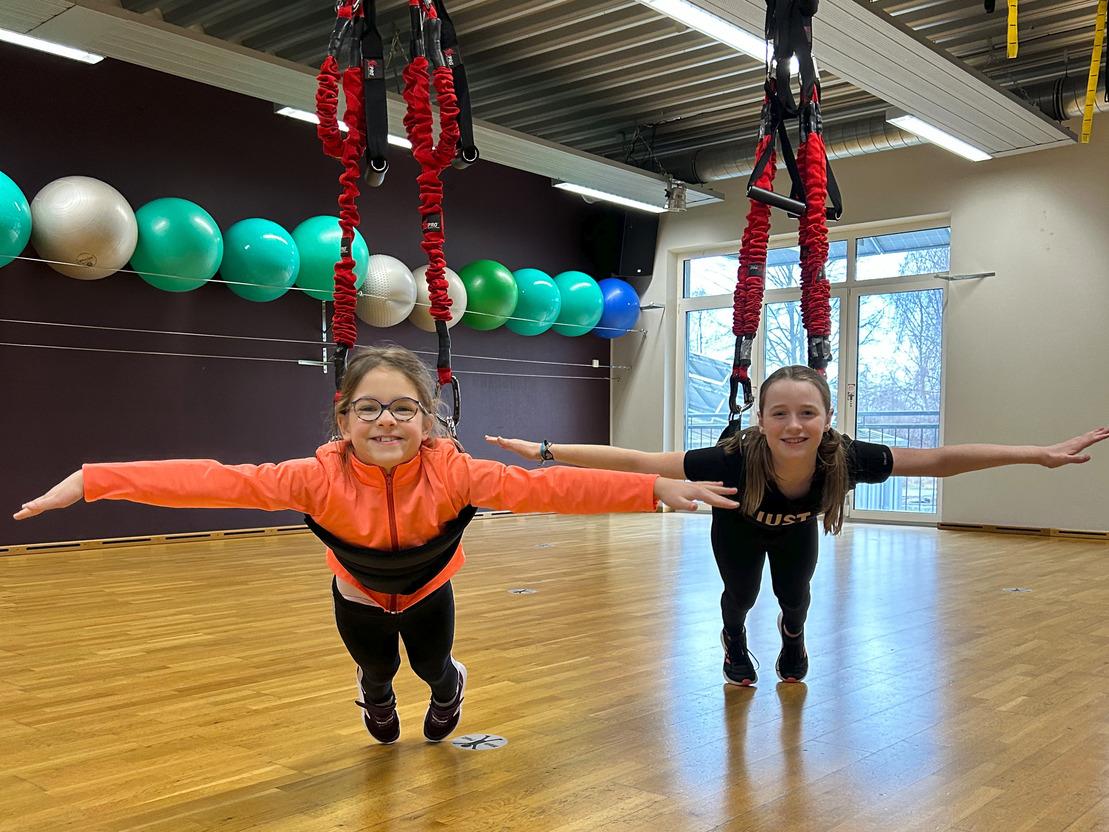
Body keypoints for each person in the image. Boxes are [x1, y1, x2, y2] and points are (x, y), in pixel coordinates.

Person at [14, 345, 738, 742]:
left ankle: (451, 684)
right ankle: (371, 692)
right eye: (369, 407)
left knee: (429, 665)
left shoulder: (456, 472)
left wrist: (647, 490)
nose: (385, 421)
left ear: (428, 419)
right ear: (343, 415)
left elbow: (546, 489)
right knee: (374, 667)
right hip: (357, 589)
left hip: (427, 587)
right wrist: (93, 478)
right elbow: (213, 481)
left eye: (403, 408)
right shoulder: (312, 477)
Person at [488, 364, 1108, 685]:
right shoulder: (732, 456)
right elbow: (638, 460)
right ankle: (734, 643)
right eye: (779, 412)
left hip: (794, 531)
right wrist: (547, 451)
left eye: (807, 413)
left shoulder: (845, 456)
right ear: (760, 419)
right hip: (737, 525)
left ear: (827, 417)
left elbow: (941, 460)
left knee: (795, 598)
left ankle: (790, 640)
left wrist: (1037, 453)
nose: (794, 425)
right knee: (740, 596)